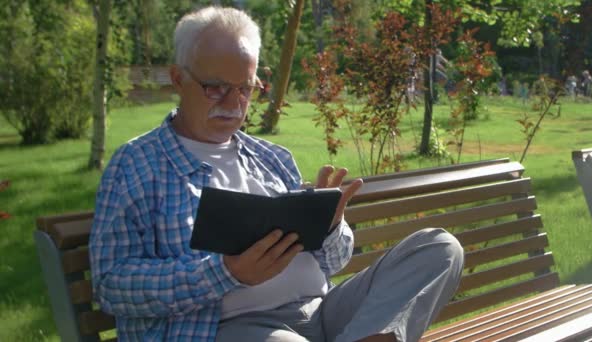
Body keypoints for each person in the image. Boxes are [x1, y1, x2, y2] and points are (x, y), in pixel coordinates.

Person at [89, 6, 464, 342]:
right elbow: (111, 286)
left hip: (323, 309)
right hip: (234, 328)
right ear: (177, 79)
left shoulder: (272, 158)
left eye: (246, 89)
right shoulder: (137, 165)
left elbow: (332, 264)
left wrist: (331, 229)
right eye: (216, 88)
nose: (234, 104)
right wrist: (226, 273)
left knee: (438, 248)